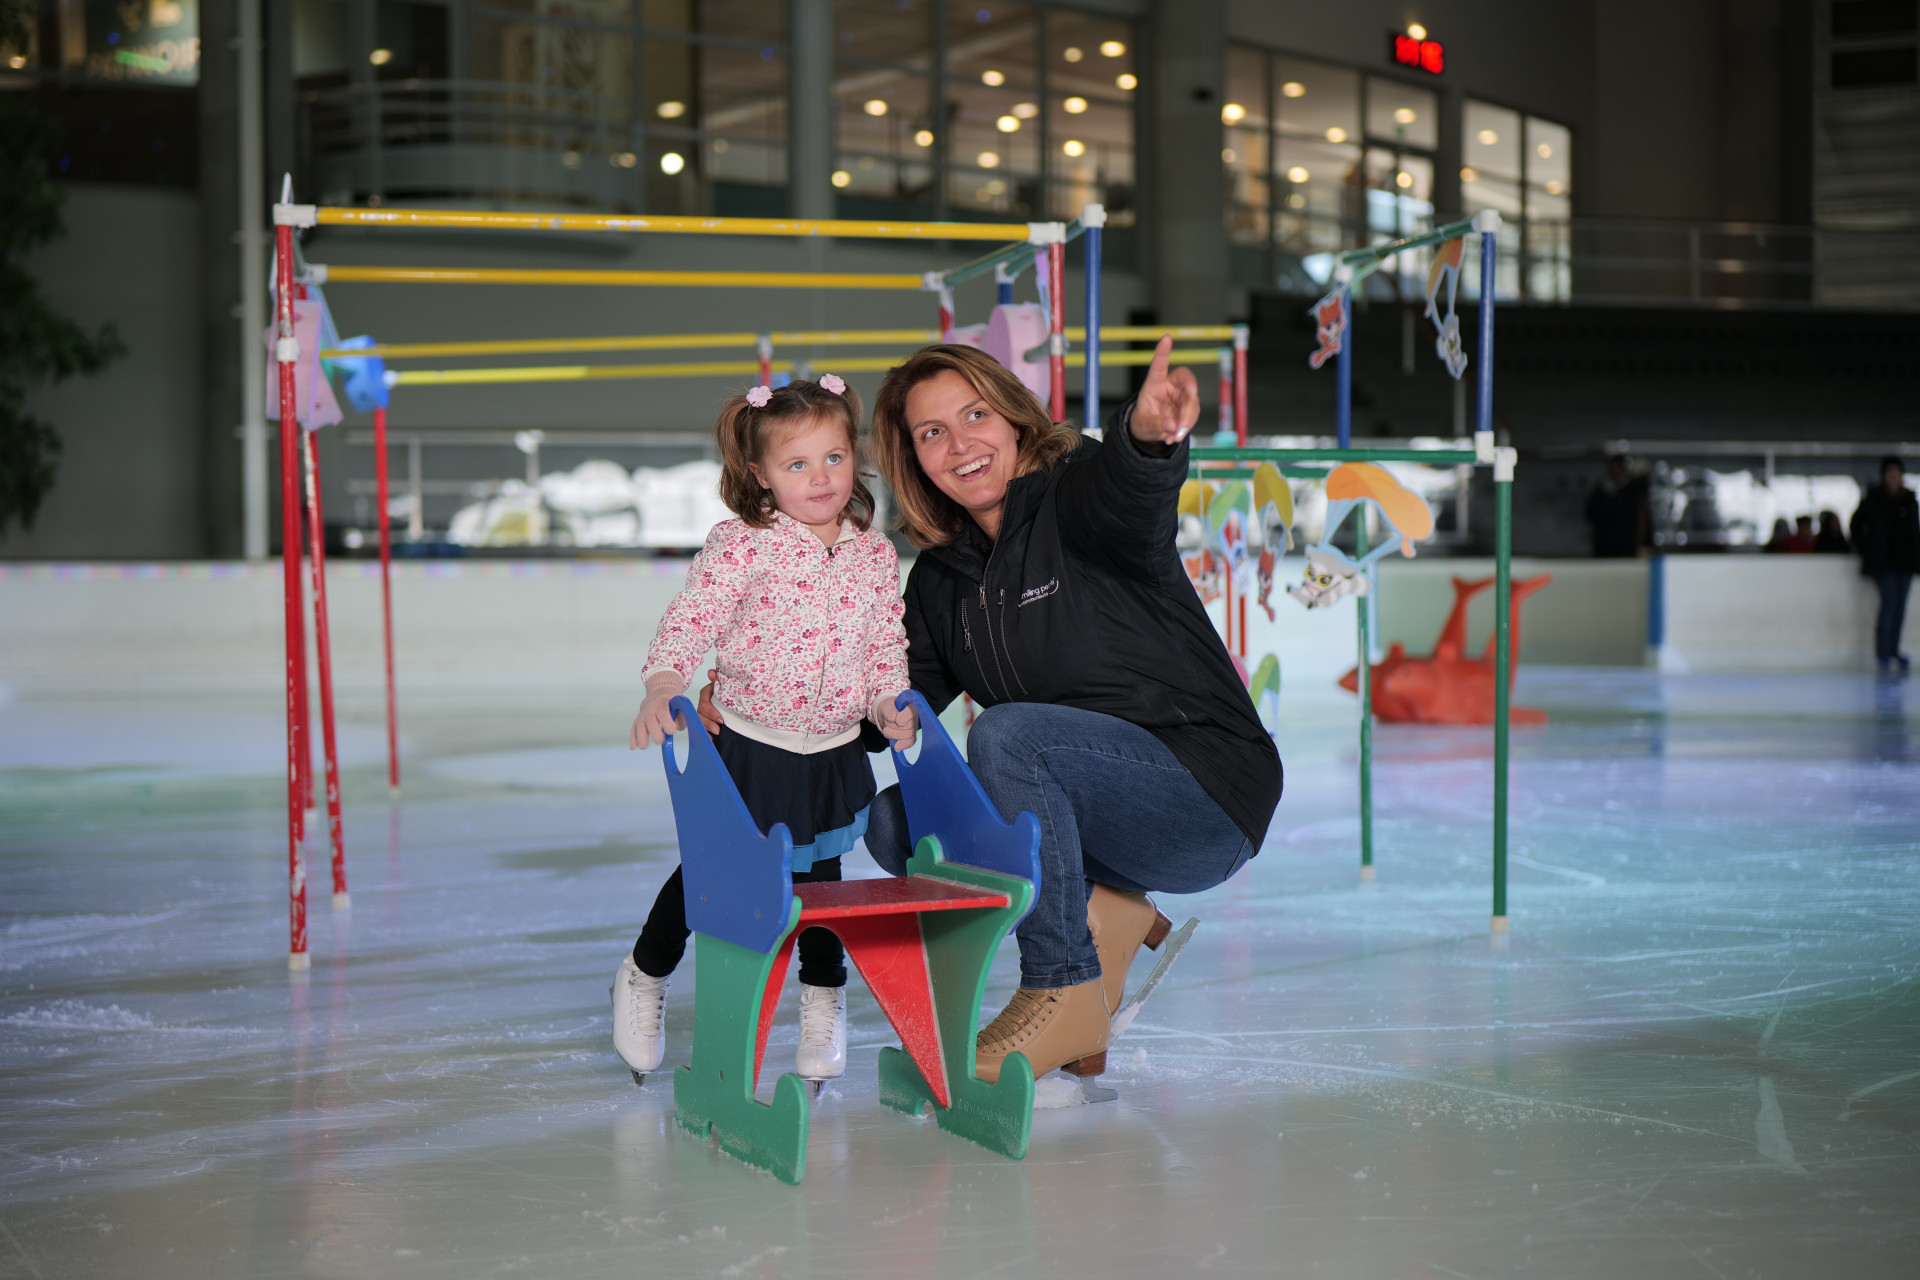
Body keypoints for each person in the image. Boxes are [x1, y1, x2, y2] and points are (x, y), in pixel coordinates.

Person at [861, 337, 1283, 1084]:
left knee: (1011, 735)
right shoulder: (938, 582)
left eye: (975, 415)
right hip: (1093, 815)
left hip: (1203, 789)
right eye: (932, 433)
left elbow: (1128, 490)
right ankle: (1104, 910)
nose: (960, 444)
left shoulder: (1075, 494)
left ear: (1014, 421)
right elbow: (891, 698)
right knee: (898, 824)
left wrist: (1146, 439)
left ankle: (1062, 986)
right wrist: (763, 696)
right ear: (914, 459)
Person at [618, 375, 918, 1083]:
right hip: (750, 742)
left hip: (834, 748)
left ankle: (823, 1001)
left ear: (857, 457)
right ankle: (645, 972)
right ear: (760, 474)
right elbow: (692, 619)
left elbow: (884, 644)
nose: (820, 478)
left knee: (820, 876)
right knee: (716, 871)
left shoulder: (873, 554)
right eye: (797, 464)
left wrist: (887, 703)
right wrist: (664, 681)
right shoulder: (743, 544)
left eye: (835, 458)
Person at [1850, 456, 1919, 675]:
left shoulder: (1909, 500)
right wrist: (1866, 548)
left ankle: (1895, 649)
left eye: (1897, 474)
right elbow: (1855, 525)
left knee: (1899, 607)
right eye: (1890, 474)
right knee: (1889, 604)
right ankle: (1884, 652)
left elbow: (1914, 531)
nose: (1893, 478)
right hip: (1884, 564)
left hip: (1906, 563)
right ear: (1883, 476)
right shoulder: (1873, 499)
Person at [1586, 454, 1648, 557]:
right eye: (1611, 467)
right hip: (1603, 544)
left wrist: (1640, 541)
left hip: (1625, 544)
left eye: (1616, 467)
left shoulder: (1631, 489)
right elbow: (1590, 512)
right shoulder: (1601, 489)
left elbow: (1640, 515)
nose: (1613, 470)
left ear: (1622, 468)